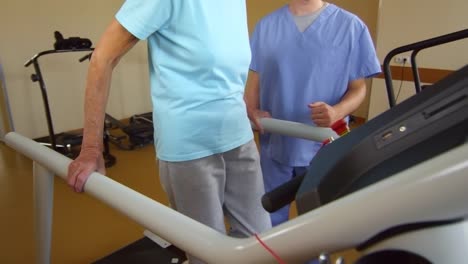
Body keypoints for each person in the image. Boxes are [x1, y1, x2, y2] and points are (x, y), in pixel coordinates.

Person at [66, 1, 272, 263]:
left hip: (238, 135)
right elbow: (103, 57)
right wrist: (91, 147)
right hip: (190, 146)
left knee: (260, 244)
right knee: (208, 255)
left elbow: (225, 61)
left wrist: (244, 104)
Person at [245, 0, 381, 227]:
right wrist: (252, 111)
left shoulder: (350, 27)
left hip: (324, 145)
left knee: (317, 224)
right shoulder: (266, 27)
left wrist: (337, 111)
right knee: (268, 220)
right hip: (276, 143)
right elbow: (255, 85)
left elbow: (359, 89)